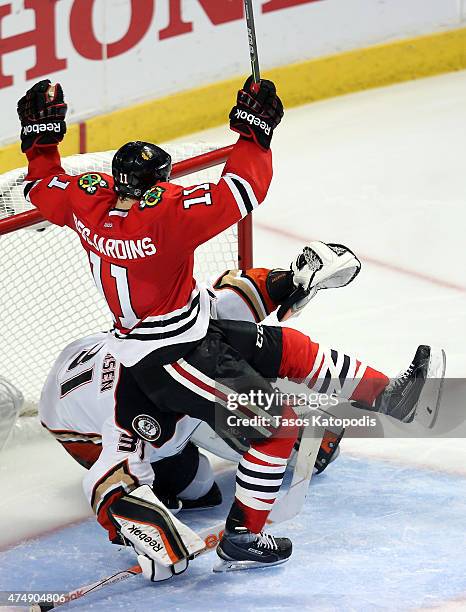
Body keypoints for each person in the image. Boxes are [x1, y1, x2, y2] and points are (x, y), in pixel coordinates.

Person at [18, 79, 445, 579]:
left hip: (179, 337)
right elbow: (243, 188)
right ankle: (244, 533)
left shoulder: (87, 204)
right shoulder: (167, 217)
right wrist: (254, 131)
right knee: (277, 427)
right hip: (173, 358)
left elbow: (41, 185)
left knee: (291, 349)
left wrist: (39, 141)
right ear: (155, 182)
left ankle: (387, 397)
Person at [39, 259, 347, 520]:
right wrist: (150, 525)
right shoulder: (151, 428)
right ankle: (169, 485)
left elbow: (234, 297)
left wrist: (292, 279)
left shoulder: (188, 332)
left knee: (229, 375)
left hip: (87, 360)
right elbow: (111, 479)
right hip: (77, 426)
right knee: (198, 482)